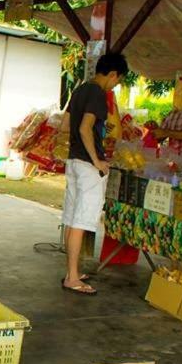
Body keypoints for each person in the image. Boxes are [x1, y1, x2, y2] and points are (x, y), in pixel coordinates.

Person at [62, 53, 128, 295]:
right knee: (81, 221)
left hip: (73, 161)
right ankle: (72, 278)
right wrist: (97, 160)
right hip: (88, 165)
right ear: (112, 74)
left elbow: (65, 125)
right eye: (117, 81)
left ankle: (72, 271)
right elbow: (84, 128)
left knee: (71, 218)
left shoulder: (79, 90)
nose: (115, 85)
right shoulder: (98, 94)